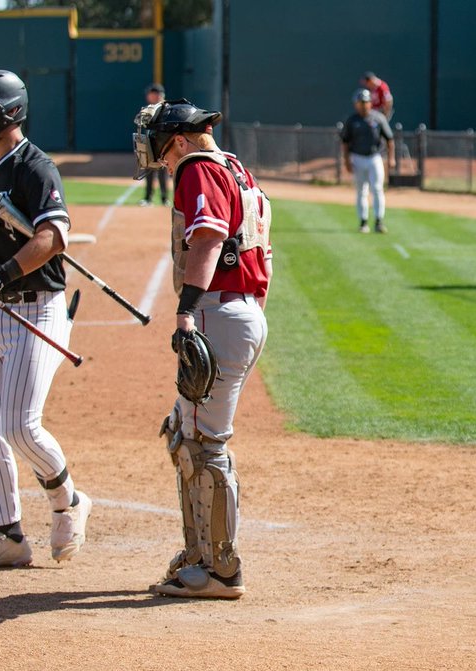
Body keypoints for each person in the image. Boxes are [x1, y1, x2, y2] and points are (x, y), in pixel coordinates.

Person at [132, 98, 272, 598]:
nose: (161, 159)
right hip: (243, 311)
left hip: (217, 310)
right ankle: (199, 554)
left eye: (161, 149)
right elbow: (263, 254)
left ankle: (220, 569)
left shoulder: (197, 168)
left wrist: (187, 312)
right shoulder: (236, 169)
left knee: (202, 444)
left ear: (179, 140)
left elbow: (209, 238)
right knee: (185, 432)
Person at [0, 69, 92, 570]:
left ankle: (68, 501)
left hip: (35, 308)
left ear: (9, 112)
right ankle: (9, 535)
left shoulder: (36, 168)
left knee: (20, 427)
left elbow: (52, 237)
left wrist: (2, 273)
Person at [341, 88, 396, 234]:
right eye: (361, 102)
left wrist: (391, 158)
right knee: (361, 191)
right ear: (356, 104)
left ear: (370, 103)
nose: (363, 105)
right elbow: (345, 142)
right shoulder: (352, 120)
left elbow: (390, 139)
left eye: (366, 102)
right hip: (357, 157)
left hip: (374, 157)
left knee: (377, 189)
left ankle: (379, 221)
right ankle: (363, 222)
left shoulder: (378, 118)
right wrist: (346, 161)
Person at [140, 83, 170, 207]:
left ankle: (164, 198)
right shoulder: (148, 109)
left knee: (163, 173)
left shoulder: (166, 109)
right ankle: (148, 198)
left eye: (153, 94)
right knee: (149, 172)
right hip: (150, 144)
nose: (150, 96)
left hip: (162, 145)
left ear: (159, 95)